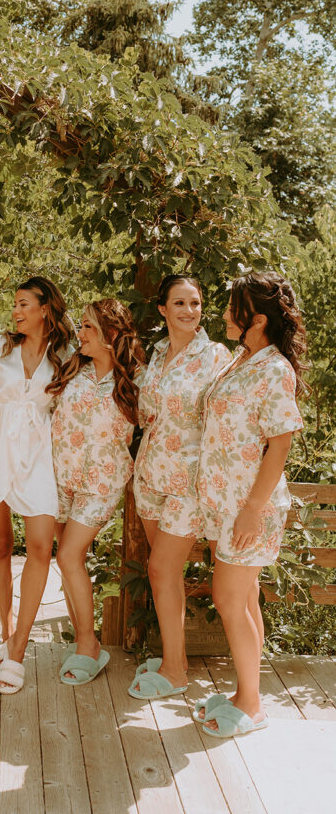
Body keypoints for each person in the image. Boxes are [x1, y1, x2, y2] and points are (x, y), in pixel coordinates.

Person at [194, 271, 306, 737]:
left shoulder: (274, 369)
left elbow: (280, 444)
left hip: (249, 506)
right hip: (227, 502)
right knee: (243, 600)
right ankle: (245, 692)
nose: (222, 313)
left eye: (231, 308)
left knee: (227, 599)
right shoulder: (242, 359)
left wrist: (252, 510)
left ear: (256, 319)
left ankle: (253, 706)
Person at [0, 275, 74, 694]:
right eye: (15, 304)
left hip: (39, 451)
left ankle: (18, 650)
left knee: (42, 546)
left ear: (45, 308)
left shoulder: (65, 351)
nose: (16, 311)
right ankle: (6, 630)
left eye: (24, 303)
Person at [129, 274, 231, 700]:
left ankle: (174, 673)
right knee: (162, 574)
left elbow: (229, 418)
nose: (190, 311)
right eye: (181, 304)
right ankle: (176, 659)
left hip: (189, 479)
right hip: (150, 473)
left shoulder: (216, 356)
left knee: (161, 569)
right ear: (162, 310)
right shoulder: (154, 354)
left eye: (196, 303)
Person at [49, 299, 144, 686]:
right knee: (65, 560)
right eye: (81, 326)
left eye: (88, 327)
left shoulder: (136, 379)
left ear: (112, 335)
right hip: (59, 478)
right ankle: (84, 642)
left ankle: (89, 644)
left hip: (102, 482)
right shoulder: (74, 370)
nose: (80, 333)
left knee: (70, 555)